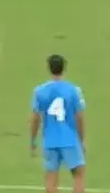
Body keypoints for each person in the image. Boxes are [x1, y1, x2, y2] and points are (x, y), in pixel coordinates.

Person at [29, 54, 86, 193]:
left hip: (50, 141)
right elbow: (79, 117)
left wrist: (33, 140)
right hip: (69, 140)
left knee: (50, 180)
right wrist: (82, 140)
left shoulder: (39, 91)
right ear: (64, 68)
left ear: (49, 69)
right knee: (78, 176)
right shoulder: (73, 90)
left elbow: (35, 118)